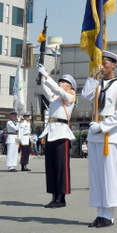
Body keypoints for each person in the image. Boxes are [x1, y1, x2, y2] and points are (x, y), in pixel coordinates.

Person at [81, 51, 117, 228]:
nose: (102, 65)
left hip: (108, 133)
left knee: (108, 175)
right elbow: (85, 96)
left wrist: (103, 126)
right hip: (95, 133)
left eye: (105, 62)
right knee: (96, 176)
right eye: (100, 62)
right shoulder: (97, 84)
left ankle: (108, 214)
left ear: (114, 64)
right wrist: (92, 76)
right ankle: (99, 213)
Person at [37, 64, 77, 208]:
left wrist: (47, 74)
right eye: (60, 81)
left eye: (64, 82)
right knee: (51, 167)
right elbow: (45, 88)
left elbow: (55, 88)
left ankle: (62, 197)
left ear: (70, 86)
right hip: (51, 132)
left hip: (61, 133)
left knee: (61, 167)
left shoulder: (70, 96)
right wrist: (42, 74)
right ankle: (54, 196)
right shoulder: (55, 97)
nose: (61, 83)